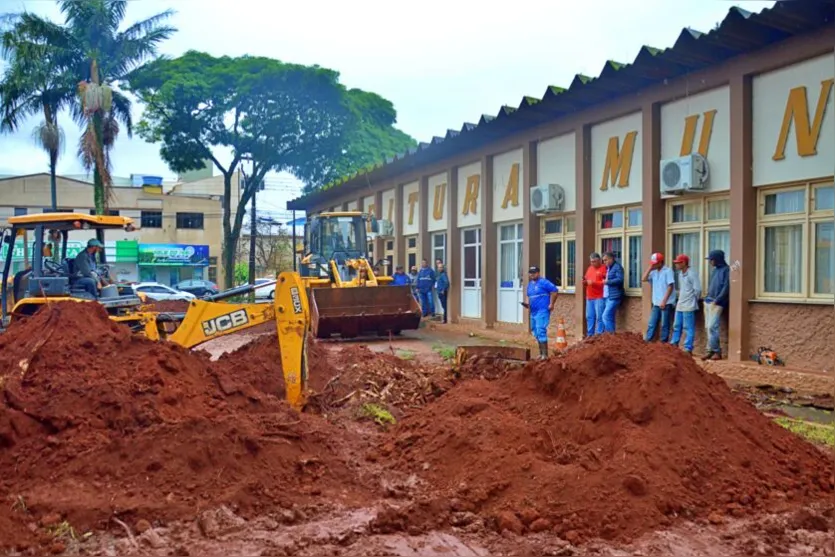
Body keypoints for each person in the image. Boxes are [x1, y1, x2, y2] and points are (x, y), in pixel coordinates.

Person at [669, 254, 701, 355]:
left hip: (688, 305)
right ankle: (674, 344)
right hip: (680, 304)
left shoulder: (692, 274)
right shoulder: (680, 274)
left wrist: (693, 300)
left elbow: (698, 290)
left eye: (678, 263)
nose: (676, 265)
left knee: (688, 327)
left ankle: (688, 348)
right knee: (677, 326)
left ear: (684, 263)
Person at [642, 252, 676, 342]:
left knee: (665, 324)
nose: (654, 265)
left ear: (661, 262)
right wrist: (650, 267)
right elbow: (643, 279)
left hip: (666, 302)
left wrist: (664, 301)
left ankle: (663, 342)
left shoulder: (668, 271)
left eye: (655, 263)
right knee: (652, 323)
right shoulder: (653, 272)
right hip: (656, 302)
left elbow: (670, 286)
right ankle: (648, 340)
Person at [702, 249, 730, 361]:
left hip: (717, 302)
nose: (710, 262)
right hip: (708, 300)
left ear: (717, 259)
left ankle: (717, 351)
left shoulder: (726, 270)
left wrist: (717, 300)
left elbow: (726, 287)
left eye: (711, 260)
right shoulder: (715, 270)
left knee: (712, 327)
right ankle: (710, 350)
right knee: (707, 327)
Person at [526, 265, 558, 359]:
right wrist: (527, 304)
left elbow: (555, 291)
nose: (532, 275)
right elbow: (529, 296)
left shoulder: (544, 282)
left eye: (534, 273)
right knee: (534, 330)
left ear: (538, 273)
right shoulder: (530, 284)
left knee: (541, 330)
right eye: (530, 273)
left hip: (542, 310)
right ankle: (541, 353)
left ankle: (545, 355)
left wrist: (551, 304)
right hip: (533, 312)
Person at [582, 252, 607, 337]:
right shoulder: (590, 268)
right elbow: (586, 279)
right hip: (589, 296)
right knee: (589, 317)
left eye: (594, 261)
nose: (592, 263)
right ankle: (590, 335)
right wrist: (585, 282)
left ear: (600, 260)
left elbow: (605, 283)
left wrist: (593, 283)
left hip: (599, 296)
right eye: (591, 261)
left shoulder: (604, 268)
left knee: (599, 317)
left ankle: (599, 336)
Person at [601, 251, 624, 333]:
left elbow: (620, 279)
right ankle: (612, 336)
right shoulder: (609, 268)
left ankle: (611, 335)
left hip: (614, 296)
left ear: (611, 259)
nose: (604, 262)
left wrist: (608, 282)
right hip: (608, 296)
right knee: (610, 317)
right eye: (603, 260)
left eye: (605, 260)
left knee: (605, 316)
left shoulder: (617, 267)